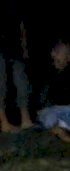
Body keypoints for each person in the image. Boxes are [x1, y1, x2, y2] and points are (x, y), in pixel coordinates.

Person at [0, 1, 33, 133]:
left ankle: (25, 119)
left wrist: (24, 45)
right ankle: (4, 122)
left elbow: (20, 21)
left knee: (21, 81)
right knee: (1, 83)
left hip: (14, 43)